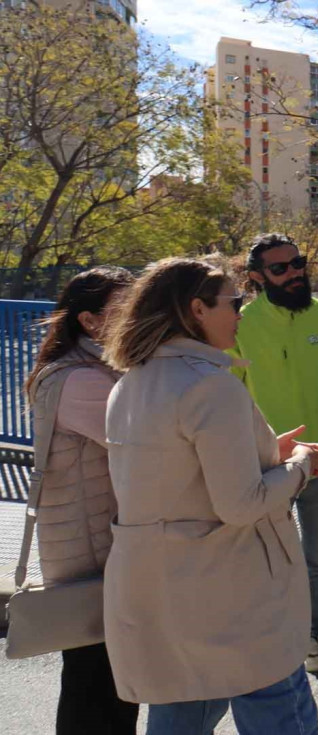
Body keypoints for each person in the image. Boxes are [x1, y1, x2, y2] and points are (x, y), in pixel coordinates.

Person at [102, 257, 318, 734]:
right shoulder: (210, 386)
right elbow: (241, 504)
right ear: (197, 310)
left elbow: (172, 476)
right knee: (277, 704)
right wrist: (300, 465)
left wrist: (267, 451)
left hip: (167, 590)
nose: (242, 313)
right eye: (235, 302)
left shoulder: (130, 384)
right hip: (234, 589)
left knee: (184, 707)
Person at [229, 233, 318, 676]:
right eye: (280, 268)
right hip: (267, 470)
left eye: (298, 263)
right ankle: (272, 651)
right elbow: (229, 398)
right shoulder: (238, 325)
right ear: (256, 278)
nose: (293, 274)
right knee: (266, 559)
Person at [24, 267, 138, 735]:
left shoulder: (96, 369)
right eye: (125, 308)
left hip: (99, 544)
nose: (136, 316)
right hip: (92, 553)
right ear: (90, 321)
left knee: (109, 680)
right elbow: (145, 440)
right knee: (97, 685)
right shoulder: (77, 380)